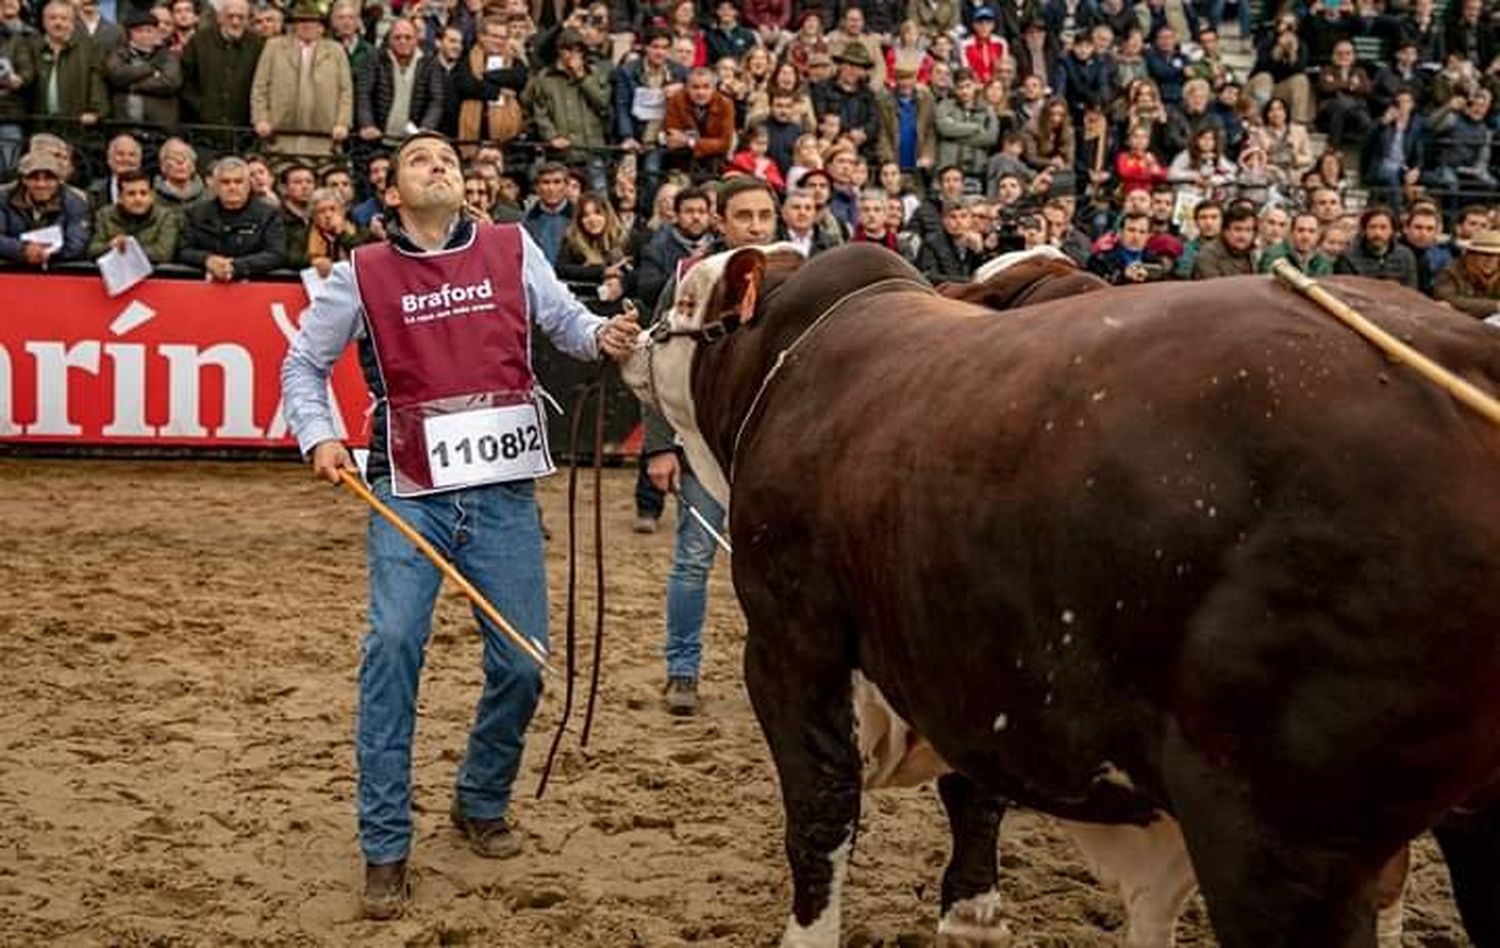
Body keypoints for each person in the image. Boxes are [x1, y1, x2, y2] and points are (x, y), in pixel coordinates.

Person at [280, 130, 640, 922]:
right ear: (393, 193)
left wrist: (605, 336)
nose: (440, 165)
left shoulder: (513, 249)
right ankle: (385, 845)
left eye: (448, 158)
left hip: (505, 491)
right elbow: (301, 365)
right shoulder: (359, 275)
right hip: (408, 490)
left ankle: (481, 796)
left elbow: (570, 328)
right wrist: (320, 433)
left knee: (523, 665)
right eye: (420, 160)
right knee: (394, 650)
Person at [641, 175, 780, 716]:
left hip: (769, 452)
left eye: (764, 215)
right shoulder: (687, 281)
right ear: (719, 222)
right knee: (694, 559)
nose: (756, 226)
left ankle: (773, 677)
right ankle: (682, 671)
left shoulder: (795, 278)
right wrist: (659, 446)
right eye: (744, 216)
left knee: (775, 569)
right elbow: (659, 366)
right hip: (702, 441)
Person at [250, 0, 353, 158]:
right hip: (279, 137)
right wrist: (260, 119)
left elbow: (346, 92)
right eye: (301, 20)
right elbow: (260, 87)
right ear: (294, 25)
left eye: (312, 21)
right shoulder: (274, 47)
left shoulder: (336, 51)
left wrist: (343, 123)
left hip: (323, 139)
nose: (307, 25)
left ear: (321, 26)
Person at [177, 156, 286, 280]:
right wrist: (208, 260)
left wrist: (235, 266)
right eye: (225, 182)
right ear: (215, 186)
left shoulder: (269, 214)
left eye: (238, 181)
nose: (232, 187)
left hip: (253, 286)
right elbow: (184, 251)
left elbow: (276, 254)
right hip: (204, 287)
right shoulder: (195, 213)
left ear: (248, 185)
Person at [180, 0, 263, 132]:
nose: (235, 22)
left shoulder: (257, 45)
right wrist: (201, 108)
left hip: (242, 129)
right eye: (230, 16)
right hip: (203, 127)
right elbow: (185, 80)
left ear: (248, 21)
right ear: (220, 18)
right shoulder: (199, 41)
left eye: (241, 17)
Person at [0, 148, 90, 266]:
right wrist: (22, 250)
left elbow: (77, 244)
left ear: (59, 180)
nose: (41, 184)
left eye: (49, 178)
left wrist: (46, 252)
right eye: (34, 178)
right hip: (12, 267)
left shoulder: (75, 202)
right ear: (23, 180)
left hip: (58, 270)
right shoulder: (3, 198)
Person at [104, 8, 182, 129]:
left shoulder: (167, 56)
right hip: (124, 126)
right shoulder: (119, 53)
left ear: (156, 32)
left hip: (160, 127)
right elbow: (117, 74)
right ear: (130, 33)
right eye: (139, 31)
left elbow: (170, 82)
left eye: (149, 31)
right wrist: (152, 68)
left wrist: (132, 86)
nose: (144, 35)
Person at [87, 167, 179, 263]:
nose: (138, 199)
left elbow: (163, 254)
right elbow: (93, 250)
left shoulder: (165, 217)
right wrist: (111, 245)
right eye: (131, 194)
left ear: (152, 196)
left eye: (143, 193)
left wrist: (127, 247)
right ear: (120, 198)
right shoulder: (104, 215)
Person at [1336, 206, 1418, 288]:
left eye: (1383, 228)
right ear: (1364, 230)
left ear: (1392, 230)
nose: (1377, 233)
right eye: (1372, 227)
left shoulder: (1406, 256)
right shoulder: (1348, 257)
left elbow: (1411, 289)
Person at [1435, 230, 1500, 319]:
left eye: (1495, 256)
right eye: (1485, 254)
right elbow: (1447, 299)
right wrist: (1495, 306)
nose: (1490, 261)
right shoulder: (1452, 272)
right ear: (1471, 255)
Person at [1191, 203, 1257, 279]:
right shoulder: (1208, 255)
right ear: (1225, 231)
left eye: (1248, 230)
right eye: (1237, 229)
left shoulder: (1251, 253)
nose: (1243, 235)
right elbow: (1216, 287)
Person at [1259, 212, 1332, 275]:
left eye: (1311, 231)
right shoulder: (1273, 255)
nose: (1306, 236)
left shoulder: (1324, 261)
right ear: (1291, 233)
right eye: (1300, 230)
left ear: (1318, 235)